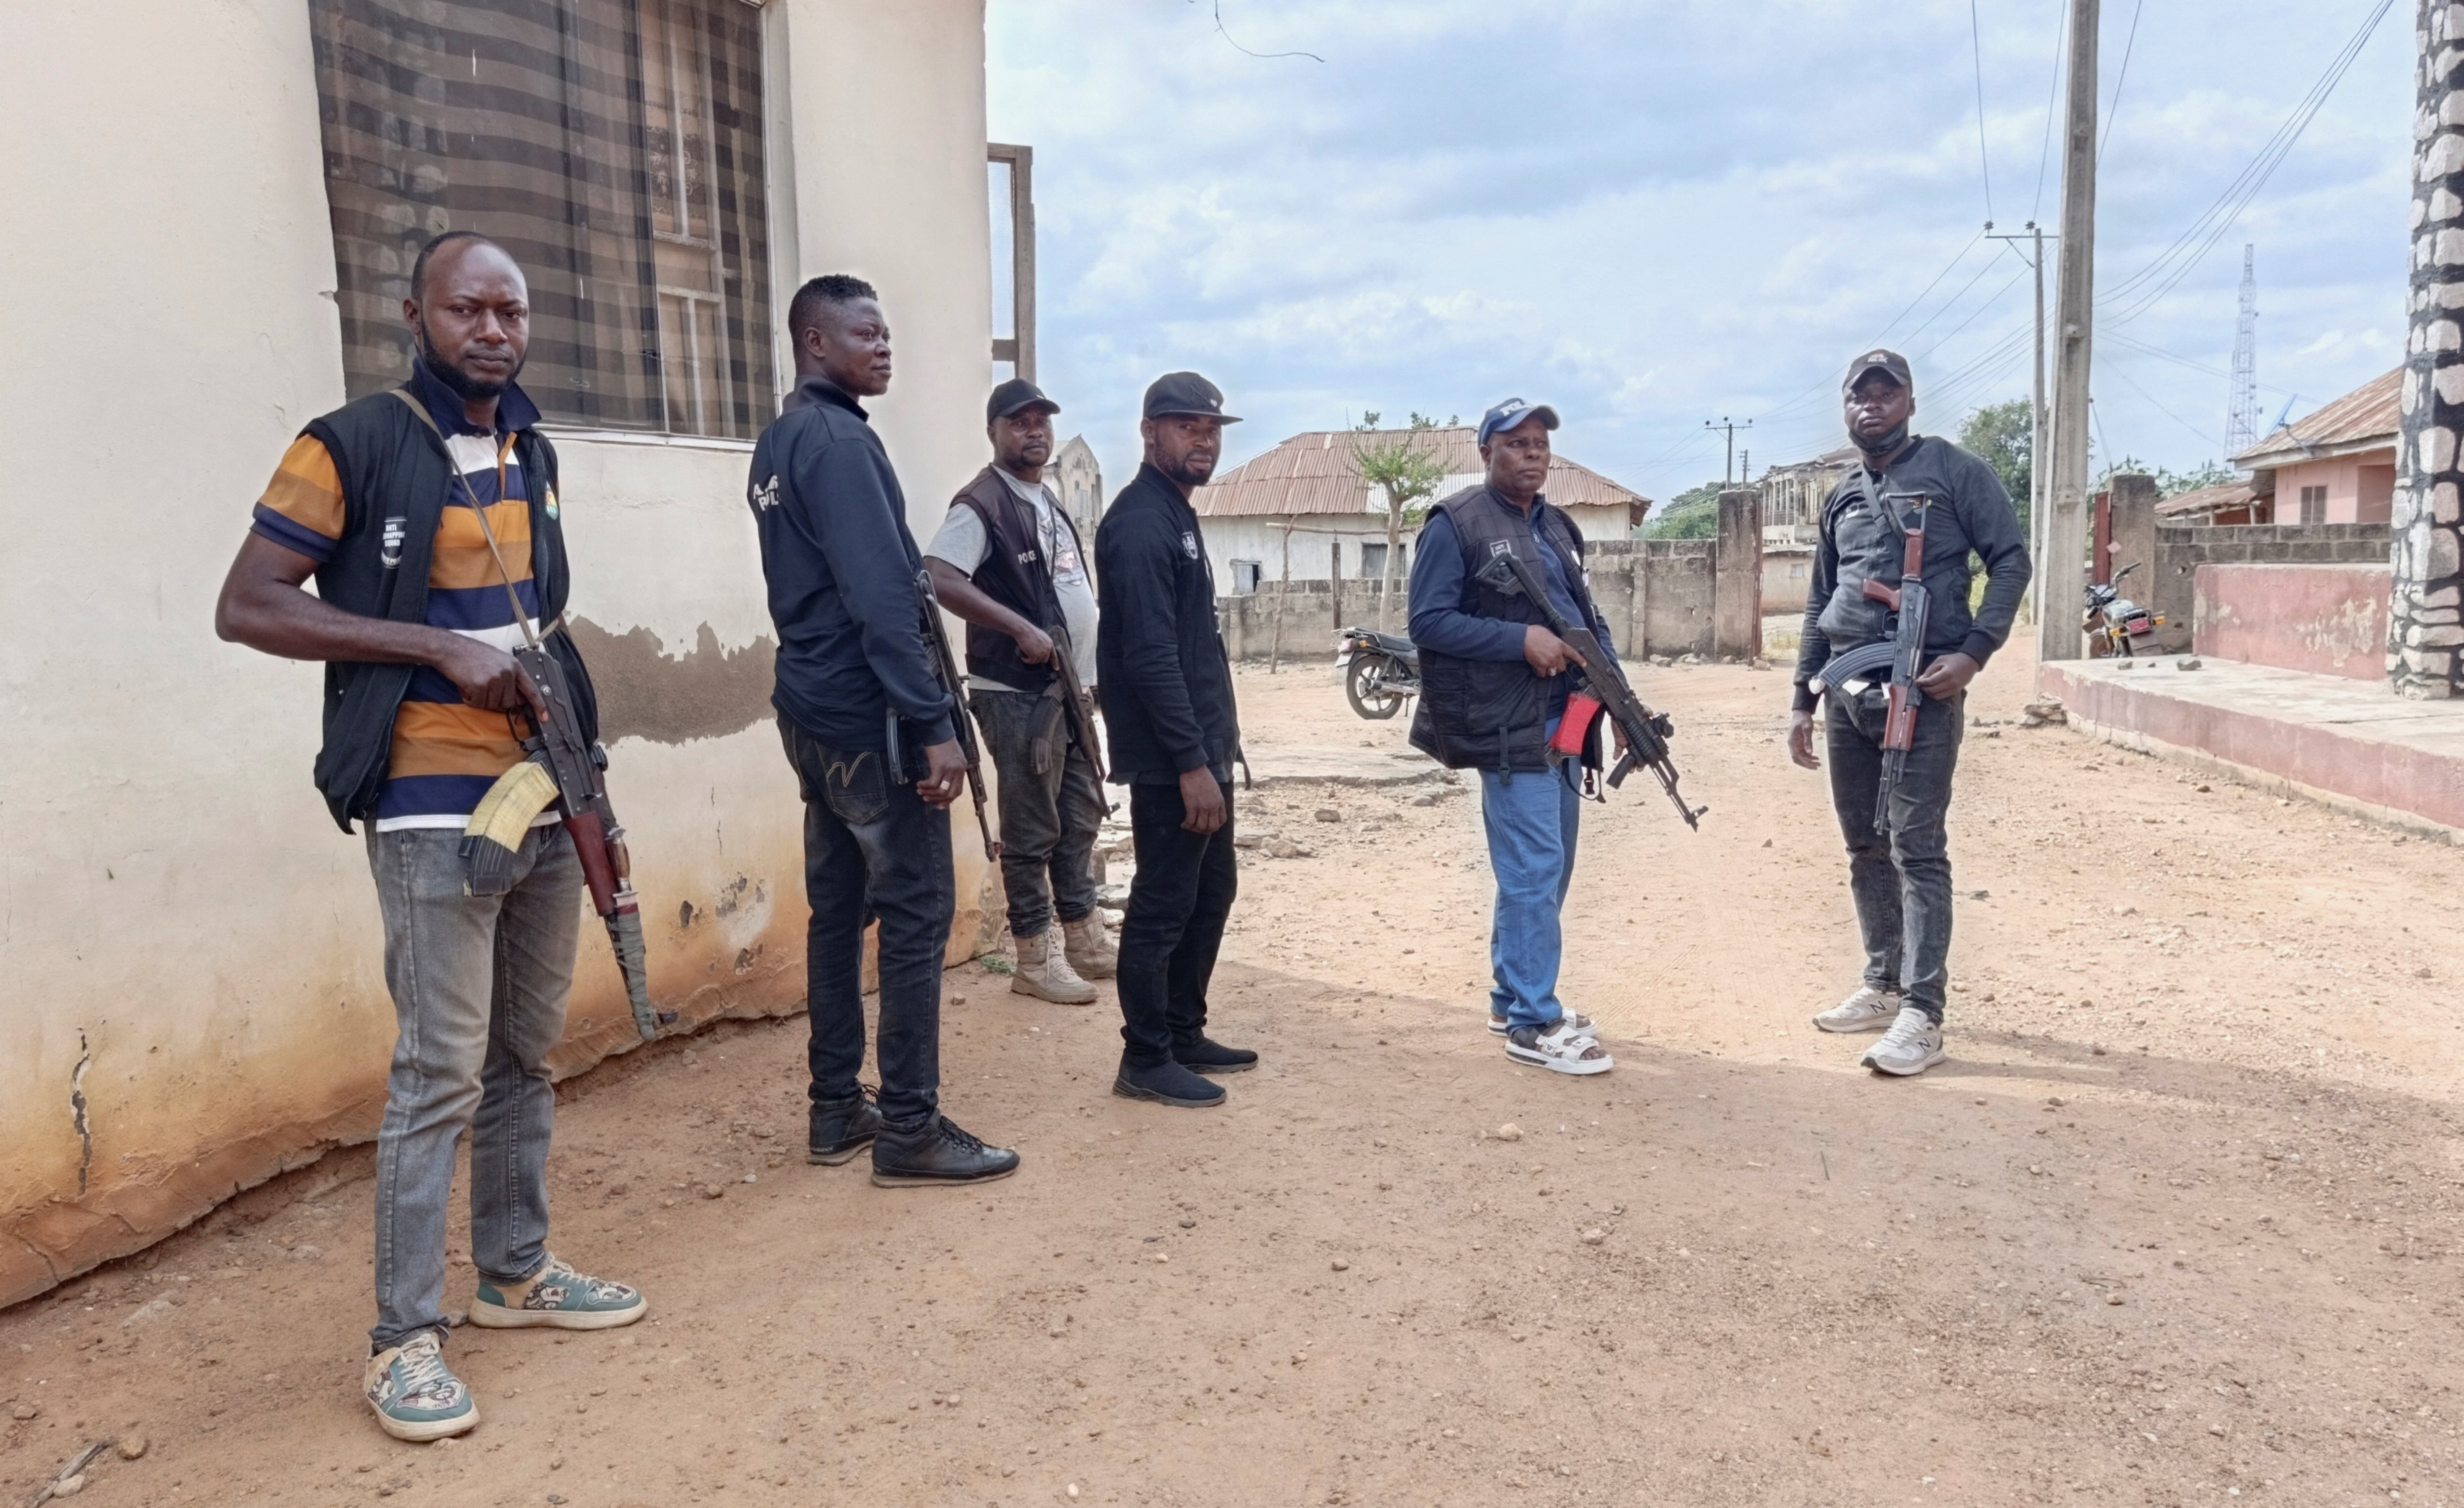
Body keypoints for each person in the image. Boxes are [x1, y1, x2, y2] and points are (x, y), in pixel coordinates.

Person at [214, 231, 644, 1442]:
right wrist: (437, 652)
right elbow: (246, 605)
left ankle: (514, 1271)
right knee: (438, 1072)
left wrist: (578, 763)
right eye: (470, 309)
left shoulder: (530, 445)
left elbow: (531, 614)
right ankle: (404, 1338)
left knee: (523, 1053)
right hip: (424, 802)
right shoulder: (348, 442)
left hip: (542, 792)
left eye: (512, 310)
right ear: (417, 313)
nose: (495, 330)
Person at [748, 273, 1021, 1185]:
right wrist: (935, 721)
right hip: (869, 717)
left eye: (886, 332)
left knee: (838, 908)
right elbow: (881, 601)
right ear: (814, 342)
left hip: (812, 707)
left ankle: (836, 1107)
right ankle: (907, 1124)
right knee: (913, 910)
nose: (883, 346)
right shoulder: (834, 442)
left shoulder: (781, 443)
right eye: (864, 333)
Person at [1787, 348, 2032, 1076]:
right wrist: (1803, 695)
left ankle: (1924, 1013)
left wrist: (1976, 652)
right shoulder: (1840, 493)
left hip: (1924, 688)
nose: (1872, 406)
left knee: (1916, 847)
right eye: (1859, 395)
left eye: (1886, 393)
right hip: (1846, 693)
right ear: (1845, 406)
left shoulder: (1956, 472)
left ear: (1911, 402)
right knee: (1864, 843)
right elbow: (1818, 599)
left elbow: (2010, 559)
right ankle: (1884, 982)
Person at [1405, 398, 1616, 1076]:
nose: (1533, 454)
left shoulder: (1558, 526)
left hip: (1565, 720)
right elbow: (1429, 622)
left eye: (1541, 443)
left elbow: (1585, 615)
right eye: (1517, 443)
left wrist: (1610, 678)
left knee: (1550, 869)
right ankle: (1532, 1022)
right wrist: (1519, 639)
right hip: (1505, 722)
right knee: (1532, 870)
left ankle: (1510, 996)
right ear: (1486, 452)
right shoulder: (1457, 524)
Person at [923, 378, 1116, 1005]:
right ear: (995, 432)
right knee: (1032, 827)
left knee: (1081, 813)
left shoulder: (1048, 499)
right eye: (1019, 422)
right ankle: (1035, 957)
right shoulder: (982, 504)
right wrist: (1018, 628)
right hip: (1015, 691)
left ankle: (1084, 936)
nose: (1034, 431)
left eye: (1042, 421)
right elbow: (938, 578)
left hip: (1066, 690)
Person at [1094, 373, 1258, 1108]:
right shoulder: (1139, 524)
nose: (1204, 439)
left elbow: (1193, 645)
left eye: (1213, 428)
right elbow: (1149, 656)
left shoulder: (1178, 514)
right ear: (1149, 431)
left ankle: (1184, 1028)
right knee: (1164, 899)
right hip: (1171, 760)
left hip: (1200, 749)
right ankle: (1146, 1055)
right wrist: (1192, 763)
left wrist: (1218, 747)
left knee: (1210, 889)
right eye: (1187, 426)